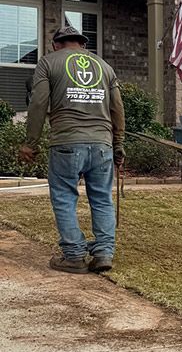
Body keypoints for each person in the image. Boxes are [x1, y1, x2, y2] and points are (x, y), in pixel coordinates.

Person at [19, 23, 126, 273]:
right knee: (101, 199)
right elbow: (117, 109)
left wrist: (30, 143)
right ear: (83, 45)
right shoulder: (105, 67)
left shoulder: (48, 62)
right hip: (101, 144)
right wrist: (118, 144)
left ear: (56, 44)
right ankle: (103, 253)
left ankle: (75, 255)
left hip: (67, 142)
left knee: (65, 198)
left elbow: (38, 104)